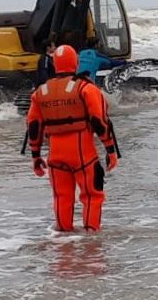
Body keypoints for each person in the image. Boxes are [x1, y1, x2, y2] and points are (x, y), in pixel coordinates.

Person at [26, 45, 121, 231]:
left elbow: (33, 125)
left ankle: (64, 241)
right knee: (93, 196)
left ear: (55, 64)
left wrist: (36, 156)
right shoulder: (86, 88)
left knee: (61, 197)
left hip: (55, 156)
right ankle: (90, 240)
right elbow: (99, 121)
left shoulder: (40, 92)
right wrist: (110, 150)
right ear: (75, 63)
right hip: (82, 153)